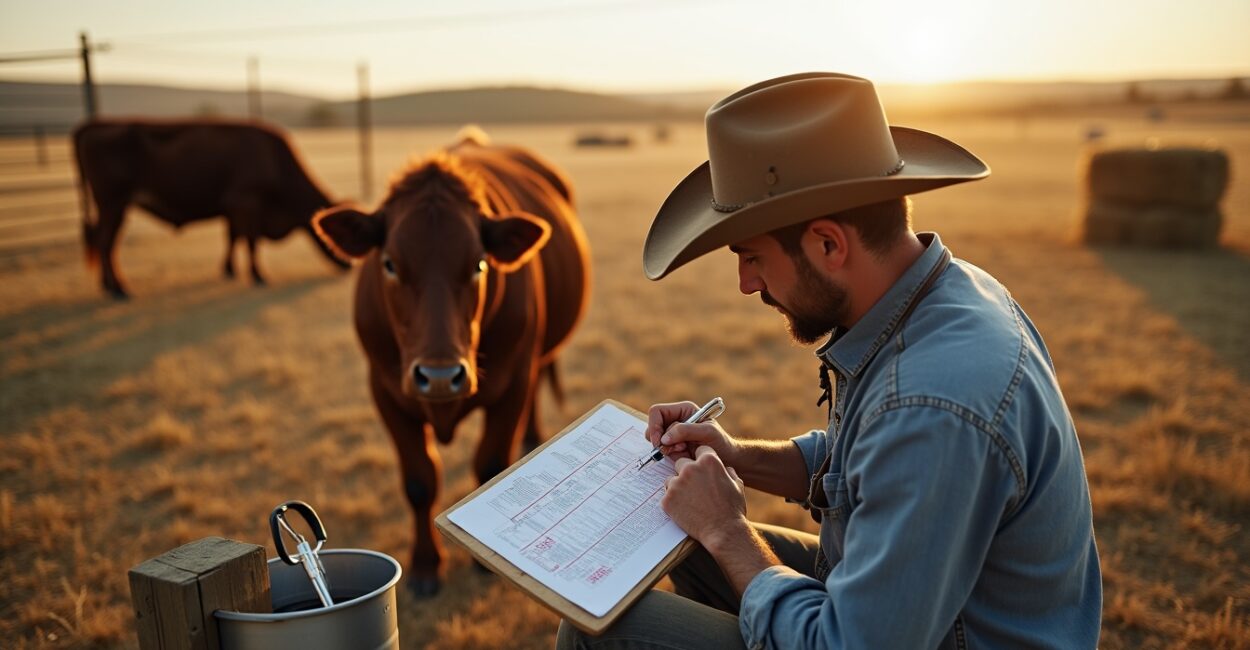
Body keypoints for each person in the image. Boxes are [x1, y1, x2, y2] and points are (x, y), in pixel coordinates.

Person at [556, 72, 1102, 649]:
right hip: (938, 616)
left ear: (828, 245)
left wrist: (728, 529)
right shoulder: (947, 292)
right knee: (691, 550)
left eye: (752, 257)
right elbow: (867, 456)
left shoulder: (931, 404)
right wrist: (738, 456)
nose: (745, 283)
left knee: (602, 634)